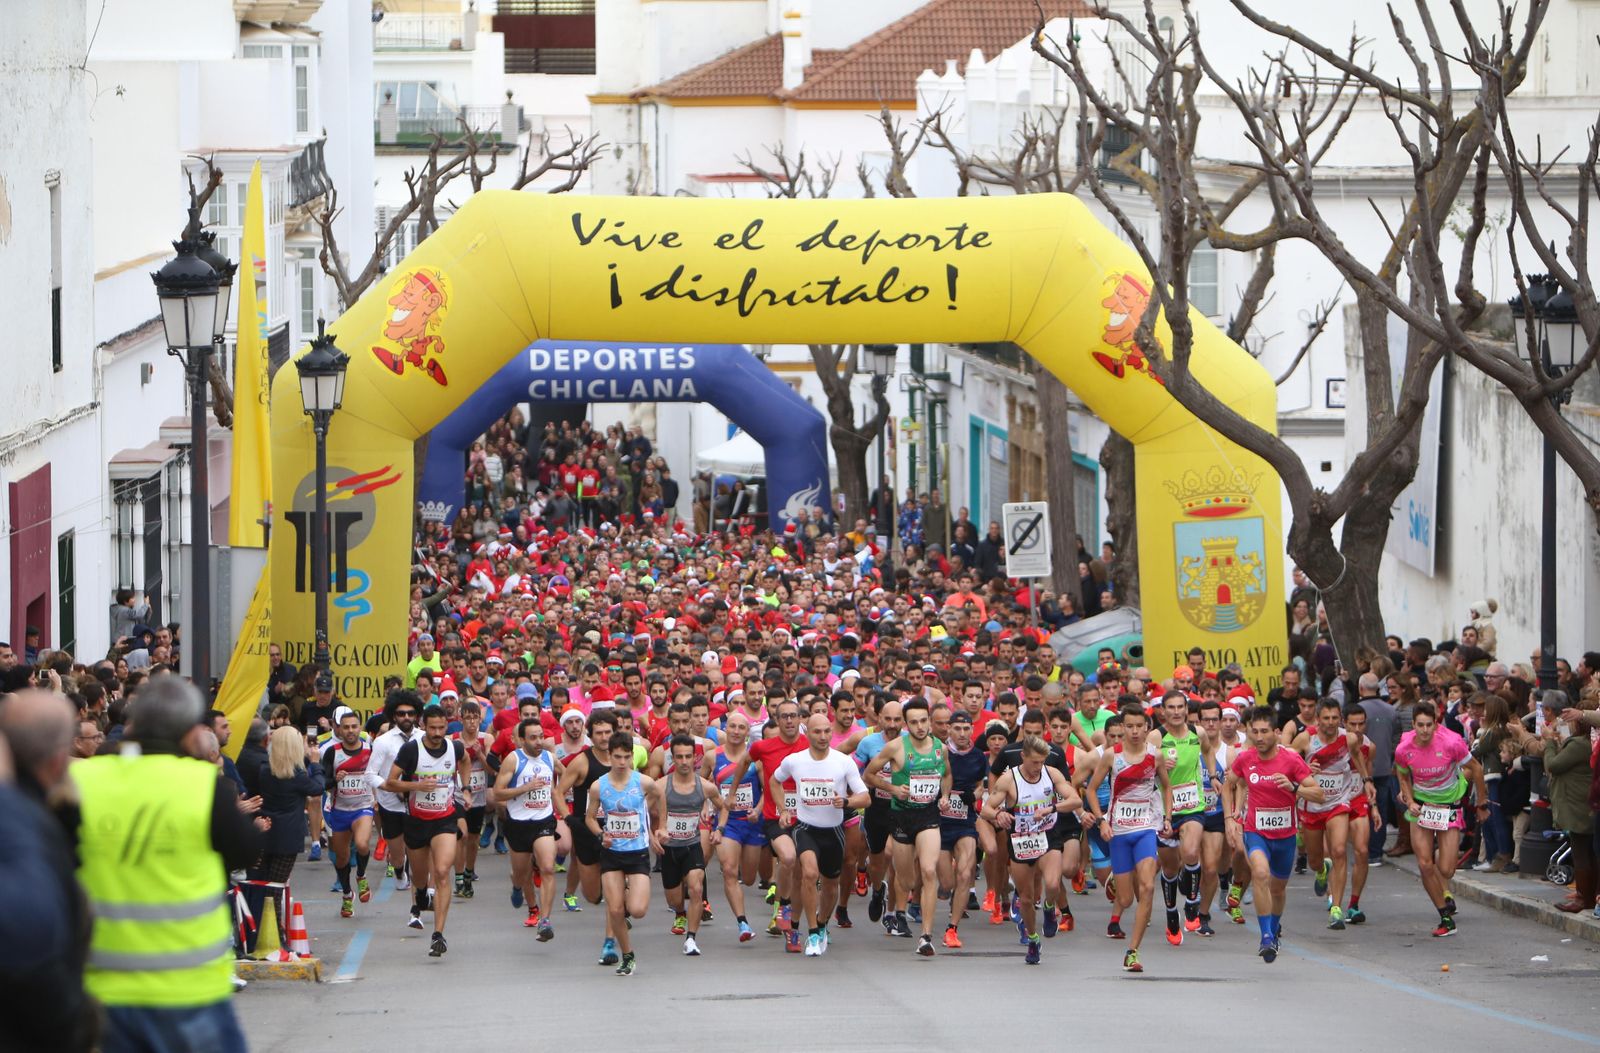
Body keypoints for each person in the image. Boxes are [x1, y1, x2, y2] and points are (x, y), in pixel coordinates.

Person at [66, 677, 261, 1052]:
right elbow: (246, 850)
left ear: (134, 723)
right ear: (190, 734)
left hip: (104, 988)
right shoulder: (204, 785)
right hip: (190, 989)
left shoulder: (81, 780)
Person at [0, 692, 94, 1053]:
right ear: (59, 759)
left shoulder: (39, 821)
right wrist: (73, 1022)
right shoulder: (27, 830)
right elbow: (28, 943)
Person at [1225, 705, 1324, 963]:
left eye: (1265, 731)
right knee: (1259, 874)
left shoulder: (1291, 759)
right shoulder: (1246, 759)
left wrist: (1294, 788)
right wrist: (1230, 817)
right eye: (1254, 732)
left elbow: (1318, 794)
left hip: (1285, 836)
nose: (1259, 737)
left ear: (1277, 733)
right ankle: (1266, 936)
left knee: (1278, 890)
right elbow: (1228, 785)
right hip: (1256, 832)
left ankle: (1274, 926)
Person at [773, 713, 871, 957]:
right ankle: (813, 932)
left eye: (827, 731)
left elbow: (865, 797)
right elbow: (774, 781)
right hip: (805, 828)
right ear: (808, 734)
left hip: (834, 832)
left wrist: (847, 800)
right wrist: (784, 809)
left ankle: (823, 921)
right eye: (817, 732)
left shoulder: (842, 762)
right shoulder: (794, 761)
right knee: (808, 873)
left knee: (830, 886)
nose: (823, 736)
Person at [982, 734, 1083, 965]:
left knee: (1053, 883)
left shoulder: (1052, 774)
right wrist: (999, 814)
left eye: (1042, 761)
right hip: (1020, 840)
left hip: (1048, 835)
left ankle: (1049, 907)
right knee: (1026, 899)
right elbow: (986, 809)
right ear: (1023, 757)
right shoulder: (1009, 779)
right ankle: (1033, 938)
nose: (1038, 767)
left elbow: (1075, 800)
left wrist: (1051, 809)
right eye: (1034, 762)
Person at [1086, 701, 1171, 973]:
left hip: (1145, 828)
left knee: (1147, 887)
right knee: (1125, 900)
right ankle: (1115, 881)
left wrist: (1167, 818)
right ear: (1122, 728)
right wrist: (1101, 821)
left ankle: (1132, 951)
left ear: (1148, 728)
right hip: (1119, 831)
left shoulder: (1155, 756)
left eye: (1139, 726)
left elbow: (1167, 787)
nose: (1135, 731)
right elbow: (1091, 790)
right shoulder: (1112, 756)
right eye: (1130, 726)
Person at [1395, 699, 1489, 937]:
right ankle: (1445, 917)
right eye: (1420, 725)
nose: (1425, 730)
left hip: (1448, 807)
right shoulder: (1404, 749)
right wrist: (1409, 799)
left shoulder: (1451, 743)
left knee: (1446, 870)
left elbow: (1476, 769)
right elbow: (1403, 776)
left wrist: (1481, 803)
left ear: (1435, 724)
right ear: (1413, 725)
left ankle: (1440, 860)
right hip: (1422, 808)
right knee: (1424, 865)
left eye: (1429, 725)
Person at [864, 698, 951, 953]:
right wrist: (892, 788)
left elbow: (946, 775)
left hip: (928, 817)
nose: (920, 726)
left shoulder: (940, 749)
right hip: (901, 818)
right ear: (906, 724)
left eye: (924, 721)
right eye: (913, 722)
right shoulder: (894, 748)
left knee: (928, 870)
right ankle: (895, 889)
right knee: (908, 880)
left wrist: (945, 796)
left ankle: (925, 936)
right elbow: (868, 774)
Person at [384, 705, 468, 956]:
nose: (437, 733)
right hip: (417, 822)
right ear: (424, 726)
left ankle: (438, 935)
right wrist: (417, 785)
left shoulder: (454, 747)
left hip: (445, 820)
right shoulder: (412, 749)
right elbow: (390, 782)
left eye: (442, 728)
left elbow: (465, 760)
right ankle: (420, 893)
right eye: (432, 728)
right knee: (420, 877)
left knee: (442, 871)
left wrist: (464, 789)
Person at [1291, 698, 1372, 930]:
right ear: (1318, 719)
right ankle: (1320, 871)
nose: (1330, 722)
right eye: (1326, 718)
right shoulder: (1307, 738)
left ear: (1340, 719)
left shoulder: (1348, 737)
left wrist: (1366, 781)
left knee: (1338, 850)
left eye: (1335, 718)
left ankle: (1336, 908)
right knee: (1316, 860)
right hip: (1312, 806)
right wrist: (1306, 769)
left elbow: (1357, 755)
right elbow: (1288, 761)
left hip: (1338, 802)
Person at [650, 733, 728, 956]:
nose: (684, 762)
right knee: (675, 900)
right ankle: (680, 913)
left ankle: (691, 939)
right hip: (669, 850)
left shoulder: (705, 787)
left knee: (695, 888)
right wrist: (652, 837)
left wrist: (719, 830)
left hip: (692, 845)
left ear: (696, 759)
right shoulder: (661, 785)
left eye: (688, 757)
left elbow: (723, 808)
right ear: (672, 759)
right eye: (679, 757)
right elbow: (641, 812)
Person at [586, 732, 656, 976]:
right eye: (617, 757)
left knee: (637, 910)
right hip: (612, 852)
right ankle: (628, 956)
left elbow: (659, 798)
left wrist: (660, 827)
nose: (622, 762)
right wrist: (600, 834)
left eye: (627, 757)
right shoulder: (598, 786)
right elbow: (590, 818)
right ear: (610, 756)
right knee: (615, 910)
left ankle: (629, 892)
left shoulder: (643, 782)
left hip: (637, 852)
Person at [491, 717, 566, 940]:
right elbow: (497, 793)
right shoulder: (514, 760)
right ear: (521, 740)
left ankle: (545, 920)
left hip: (543, 821)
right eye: (533, 738)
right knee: (521, 873)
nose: (538, 741)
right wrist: (525, 788)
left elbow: (567, 773)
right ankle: (517, 889)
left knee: (548, 868)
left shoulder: (550, 758)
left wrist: (558, 793)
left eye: (541, 736)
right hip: (519, 824)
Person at [252, 725, 327, 939]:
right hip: (289, 836)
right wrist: (315, 763)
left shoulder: (265, 770)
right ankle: (275, 933)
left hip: (267, 832)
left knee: (266, 883)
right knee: (276, 886)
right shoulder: (297, 776)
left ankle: (266, 930)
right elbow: (317, 787)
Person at [707, 710, 765, 943]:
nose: (736, 731)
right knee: (730, 870)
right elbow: (701, 783)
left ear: (747, 733)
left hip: (751, 823)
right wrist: (705, 804)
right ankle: (742, 922)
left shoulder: (755, 758)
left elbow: (768, 790)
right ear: (726, 728)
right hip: (727, 822)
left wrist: (758, 810)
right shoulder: (713, 756)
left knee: (749, 877)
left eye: (742, 728)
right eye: (732, 726)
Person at [937, 709, 987, 948]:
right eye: (957, 728)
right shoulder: (939, 753)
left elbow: (980, 785)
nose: (962, 733)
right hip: (939, 823)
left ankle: (952, 929)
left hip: (965, 821)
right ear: (948, 729)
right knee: (947, 884)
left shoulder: (978, 756)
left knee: (965, 874)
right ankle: (951, 883)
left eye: (966, 728)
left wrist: (974, 795)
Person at [321, 710, 376, 918]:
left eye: (354, 726)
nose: (351, 731)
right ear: (339, 729)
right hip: (339, 810)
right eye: (346, 727)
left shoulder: (369, 750)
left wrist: (378, 798)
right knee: (341, 858)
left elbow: (377, 775)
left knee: (362, 844)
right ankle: (346, 894)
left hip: (363, 806)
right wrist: (336, 779)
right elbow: (322, 783)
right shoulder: (332, 752)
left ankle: (361, 876)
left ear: (359, 727)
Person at [368, 694, 423, 892]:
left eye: (411, 713)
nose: (406, 717)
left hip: (418, 803)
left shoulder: (423, 738)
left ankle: (422, 888)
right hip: (390, 804)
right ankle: (399, 870)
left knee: (417, 848)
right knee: (398, 853)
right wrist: (391, 787)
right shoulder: (383, 742)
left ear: (417, 715)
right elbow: (370, 775)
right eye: (401, 713)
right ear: (393, 716)